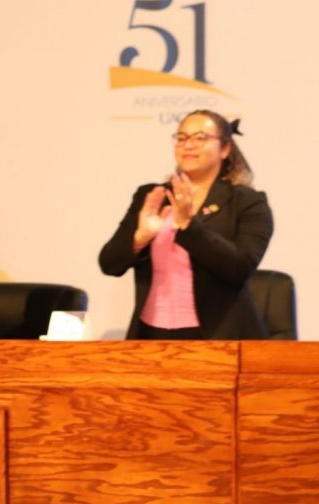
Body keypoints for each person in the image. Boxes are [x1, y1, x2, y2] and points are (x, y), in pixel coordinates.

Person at [99, 109, 273, 339]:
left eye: (200, 137)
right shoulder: (152, 196)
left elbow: (240, 268)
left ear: (225, 149)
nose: (188, 145)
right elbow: (109, 264)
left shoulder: (247, 202)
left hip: (217, 336)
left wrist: (189, 226)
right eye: (181, 138)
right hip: (150, 334)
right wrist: (139, 239)